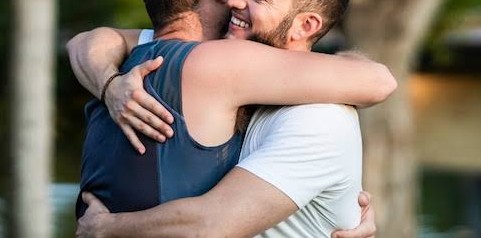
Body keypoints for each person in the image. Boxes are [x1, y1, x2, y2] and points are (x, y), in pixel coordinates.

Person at [69, 0, 396, 237]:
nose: (237, 3)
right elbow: (90, 40)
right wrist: (111, 86)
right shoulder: (216, 63)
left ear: (306, 25)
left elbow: (210, 225)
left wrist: (107, 228)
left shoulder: (319, 119)